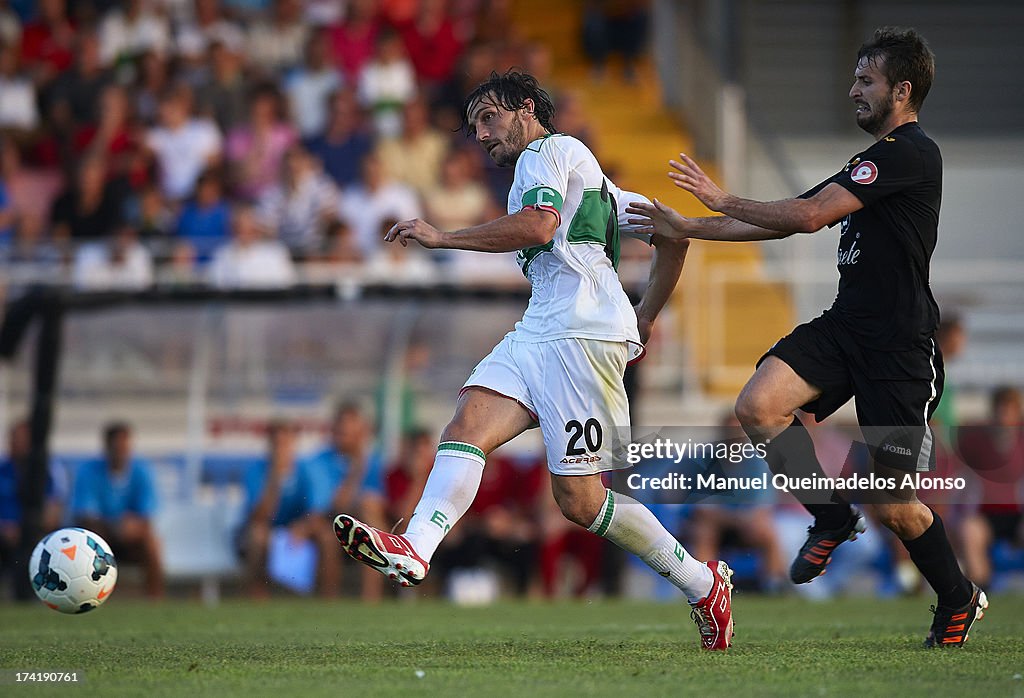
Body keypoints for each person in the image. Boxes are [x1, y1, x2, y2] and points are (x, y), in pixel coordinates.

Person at [332, 70, 734, 650]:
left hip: (582, 339)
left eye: (489, 119)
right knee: (467, 423)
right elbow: (674, 235)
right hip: (542, 329)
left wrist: (444, 238)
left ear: (526, 108)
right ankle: (414, 548)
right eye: (474, 129)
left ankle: (702, 583)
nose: (483, 136)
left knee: (581, 501)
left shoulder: (547, 151)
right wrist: (644, 314)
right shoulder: (591, 180)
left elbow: (538, 226)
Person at [627, 27, 984, 647]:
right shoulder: (870, 163)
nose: (853, 90)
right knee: (757, 407)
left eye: (866, 81)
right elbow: (791, 216)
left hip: (902, 350)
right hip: (848, 327)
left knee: (893, 504)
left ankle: (957, 598)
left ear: (902, 90)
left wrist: (719, 195)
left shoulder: (910, 154)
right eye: (855, 78)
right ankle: (828, 514)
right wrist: (690, 225)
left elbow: (806, 215)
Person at [70, 422, 163, 598]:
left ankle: (155, 600)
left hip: (130, 539)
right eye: (117, 447)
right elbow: (85, 516)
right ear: (107, 447)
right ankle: (91, 597)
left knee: (152, 544)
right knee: (92, 539)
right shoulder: (88, 471)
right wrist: (117, 527)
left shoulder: (141, 471)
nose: (121, 452)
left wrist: (132, 527)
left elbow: (147, 515)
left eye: (125, 447)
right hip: (100, 536)